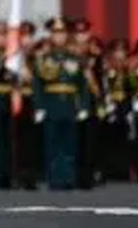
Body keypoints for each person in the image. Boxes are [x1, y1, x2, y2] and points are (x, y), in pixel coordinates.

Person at [33, 18, 89, 190]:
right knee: (52, 144)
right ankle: (54, 179)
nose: (59, 37)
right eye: (56, 33)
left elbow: (82, 85)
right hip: (51, 104)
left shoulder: (75, 58)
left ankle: (68, 178)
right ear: (51, 35)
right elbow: (38, 85)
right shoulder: (44, 59)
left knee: (69, 144)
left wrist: (84, 106)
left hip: (70, 104)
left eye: (62, 33)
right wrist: (39, 106)